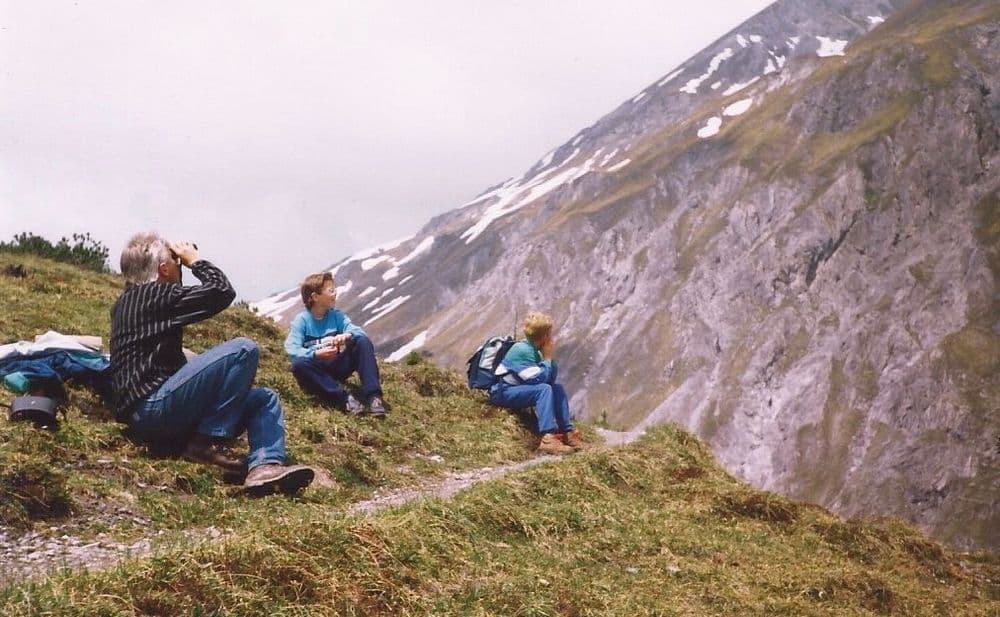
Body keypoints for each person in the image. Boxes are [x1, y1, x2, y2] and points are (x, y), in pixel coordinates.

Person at [109, 232, 314, 495]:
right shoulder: (156, 296)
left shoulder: (128, 302)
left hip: (151, 412)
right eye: (174, 260)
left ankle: (265, 468)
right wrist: (195, 260)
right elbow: (221, 291)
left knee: (264, 399)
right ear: (163, 269)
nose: (178, 263)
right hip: (153, 409)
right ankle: (207, 443)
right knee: (243, 349)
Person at [284, 272, 386, 416]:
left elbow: (359, 332)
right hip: (316, 369)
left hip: (336, 366)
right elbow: (292, 349)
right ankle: (344, 399)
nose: (335, 293)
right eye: (331, 290)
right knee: (299, 365)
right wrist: (315, 354)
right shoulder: (301, 321)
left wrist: (347, 335)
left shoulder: (336, 316)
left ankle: (374, 397)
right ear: (315, 297)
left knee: (361, 341)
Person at [490, 312, 587, 455]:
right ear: (545, 336)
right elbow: (538, 380)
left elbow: (550, 379)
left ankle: (567, 432)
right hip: (503, 392)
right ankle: (547, 438)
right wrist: (547, 359)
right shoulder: (523, 350)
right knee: (544, 389)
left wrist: (549, 359)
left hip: (516, 389)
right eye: (549, 333)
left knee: (557, 388)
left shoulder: (535, 349)